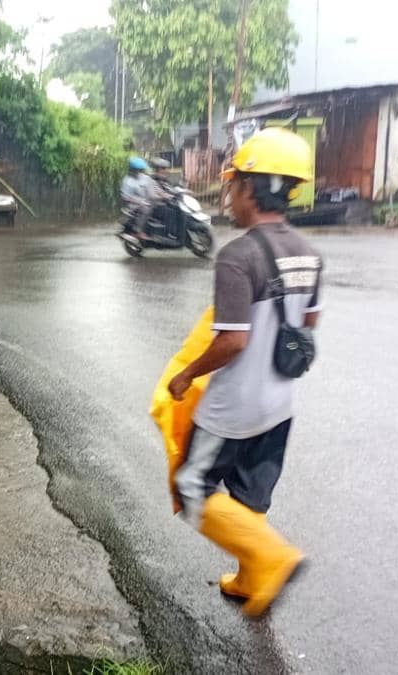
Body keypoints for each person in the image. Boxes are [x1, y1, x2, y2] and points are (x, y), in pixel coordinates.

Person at [166, 127, 323, 617]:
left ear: (252, 188)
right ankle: (251, 578)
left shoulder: (238, 256)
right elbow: (308, 324)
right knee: (251, 496)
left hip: (232, 410)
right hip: (279, 406)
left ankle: (271, 556)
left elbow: (233, 340)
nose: (229, 196)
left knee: (192, 487)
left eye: (233, 185)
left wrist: (187, 375)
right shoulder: (309, 253)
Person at [119, 157, 159, 238]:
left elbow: (151, 193)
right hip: (133, 205)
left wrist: (160, 197)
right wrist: (139, 202)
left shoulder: (146, 178)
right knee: (145, 208)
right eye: (137, 170)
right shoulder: (127, 181)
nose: (139, 172)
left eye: (140, 170)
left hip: (147, 202)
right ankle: (138, 230)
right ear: (132, 170)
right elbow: (125, 197)